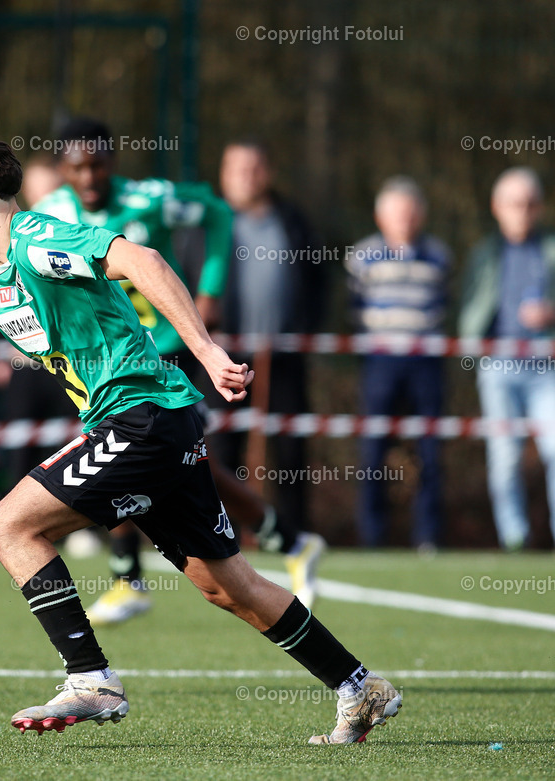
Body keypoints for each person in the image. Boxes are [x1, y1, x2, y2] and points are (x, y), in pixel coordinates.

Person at [0, 128, 402, 744]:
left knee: (7, 525)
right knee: (226, 584)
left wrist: (209, 352)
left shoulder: (41, 239)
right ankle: (359, 686)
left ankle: (91, 678)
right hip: (153, 424)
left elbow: (143, 260)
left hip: (144, 417)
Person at [33, 119, 325, 622]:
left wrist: (209, 288)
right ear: (63, 169)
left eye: (98, 164)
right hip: (106, 357)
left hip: (167, 349)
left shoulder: (152, 199)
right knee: (144, 456)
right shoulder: (49, 215)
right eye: (77, 167)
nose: (89, 176)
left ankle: (138, 575)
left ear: (113, 161)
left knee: (160, 456)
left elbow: (215, 212)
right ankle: (283, 542)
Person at [213, 139, 324, 540]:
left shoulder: (292, 221)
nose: (247, 176)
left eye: (254, 167)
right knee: (221, 450)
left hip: (284, 355)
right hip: (224, 357)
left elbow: (318, 282)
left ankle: (295, 536)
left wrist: (307, 330)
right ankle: (220, 536)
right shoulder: (210, 222)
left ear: (269, 173)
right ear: (224, 175)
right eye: (237, 168)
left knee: (291, 449)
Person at [348, 177, 451, 550]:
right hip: (380, 362)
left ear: (420, 215)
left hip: (427, 363)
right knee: (374, 449)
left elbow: (443, 304)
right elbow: (354, 309)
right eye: (396, 213)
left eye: (410, 213)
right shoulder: (362, 256)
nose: (404, 220)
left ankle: (428, 537)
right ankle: (372, 537)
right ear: (380, 216)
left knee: (430, 451)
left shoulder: (439, 255)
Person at [459, 167, 555, 551]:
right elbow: (468, 310)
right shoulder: (484, 254)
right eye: (515, 203)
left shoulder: (550, 248)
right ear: (498, 207)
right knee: (504, 455)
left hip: (546, 367)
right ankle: (514, 537)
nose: (523, 211)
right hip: (498, 366)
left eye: (531, 203)